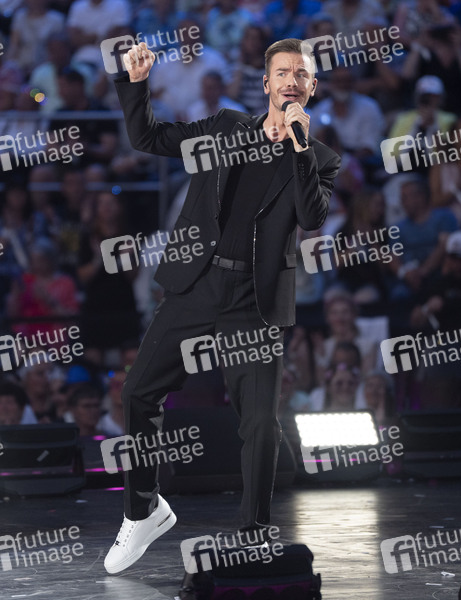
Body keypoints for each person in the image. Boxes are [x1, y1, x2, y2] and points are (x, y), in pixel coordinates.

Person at [104, 37, 339, 573]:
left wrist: (301, 147)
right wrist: (135, 84)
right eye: (282, 72)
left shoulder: (320, 158)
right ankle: (143, 510)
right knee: (138, 391)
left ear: (312, 86)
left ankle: (254, 533)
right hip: (198, 281)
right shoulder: (226, 127)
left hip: (254, 301)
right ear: (266, 82)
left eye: (301, 75)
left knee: (260, 422)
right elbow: (148, 137)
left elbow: (311, 217)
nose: (291, 81)